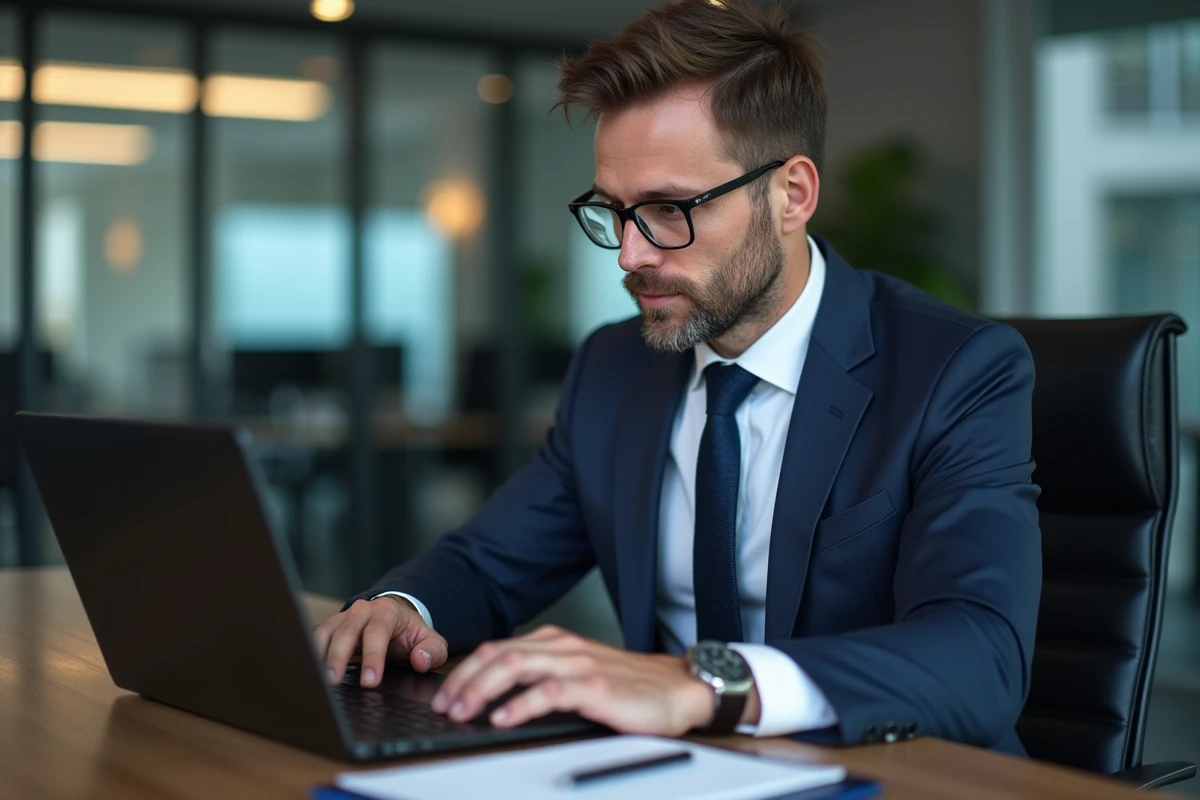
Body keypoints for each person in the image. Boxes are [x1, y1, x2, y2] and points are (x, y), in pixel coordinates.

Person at [314, 0, 1041, 754]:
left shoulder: (955, 370)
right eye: (615, 212)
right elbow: (489, 563)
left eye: (668, 209)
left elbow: (980, 655)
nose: (630, 255)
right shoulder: (612, 366)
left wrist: (701, 683)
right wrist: (403, 604)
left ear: (792, 194)